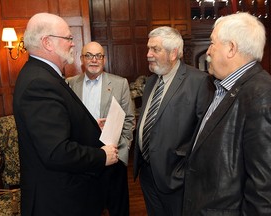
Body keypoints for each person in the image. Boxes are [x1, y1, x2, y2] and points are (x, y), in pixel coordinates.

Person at [13, 13, 119, 216]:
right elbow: (56, 151)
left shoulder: (43, 74)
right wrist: (101, 156)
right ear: (47, 43)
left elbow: (56, 126)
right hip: (58, 201)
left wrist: (89, 127)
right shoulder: (39, 83)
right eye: (68, 38)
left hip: (63, 195)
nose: (73, 44)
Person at [182, 12, 271, 216]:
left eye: (213, 43)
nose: (208, 52)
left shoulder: (262, 96)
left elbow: (264, 192)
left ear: (231, 48)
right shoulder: (221, 87)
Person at [133, 26, 214, 215]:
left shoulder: (200, 82)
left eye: (155, 49)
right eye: (148, 48)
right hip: (147, 173)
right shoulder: (151, 81)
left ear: (174, 53)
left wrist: (184, 173)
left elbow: (206, 136)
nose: (148, 54)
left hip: (176, 179)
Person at [66, 41, 135, 216]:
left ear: (104, 59)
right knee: (87, 208)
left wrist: (123, 150)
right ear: (82, 59)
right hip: (83, 159)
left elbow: (129, 120)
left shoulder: (120, 84)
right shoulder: (69, 84)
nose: (94, 60)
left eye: (98, 56)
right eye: (89, 55)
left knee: (118, 209)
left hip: (113, 157)